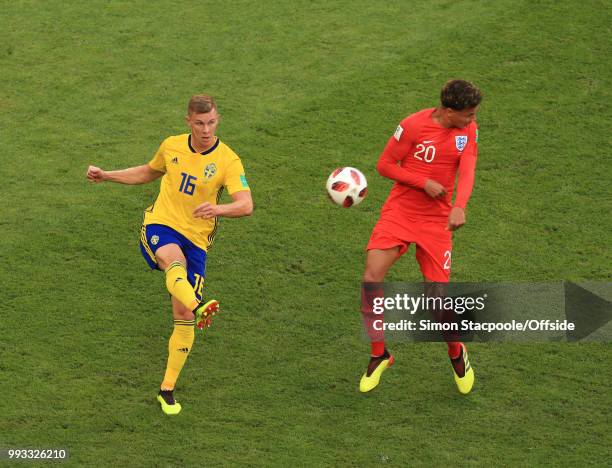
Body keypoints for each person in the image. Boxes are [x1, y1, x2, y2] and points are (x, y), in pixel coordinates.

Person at [86, 95, 253, 415]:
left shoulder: (229, 160)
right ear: (189, 121)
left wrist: (218, 208)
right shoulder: (171, 146)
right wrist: (107, 175)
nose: (206, 130)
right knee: (173, 262)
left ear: (218, 121)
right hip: (161, 225)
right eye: (200, 123)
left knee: (184, 318)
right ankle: (199, 303)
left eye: (212, 123)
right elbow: (148, 172)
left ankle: (167, 389)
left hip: (197, 240)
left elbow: (246, 204)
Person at [359, 80, 482, 394]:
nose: (472, 119)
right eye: (467, 114)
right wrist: (422, 182)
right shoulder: (413, 126)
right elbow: (385, 165)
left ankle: (457, 352)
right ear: (449, 110)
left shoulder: (467, 131)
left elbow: (467, 169)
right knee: (372, 277)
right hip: (401, 212)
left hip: (437, 221)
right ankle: (379, 355)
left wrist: (459, 206)